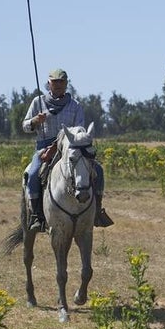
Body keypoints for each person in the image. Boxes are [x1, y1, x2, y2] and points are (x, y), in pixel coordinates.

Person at [21, 68, 113, 231]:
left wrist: (58, 145)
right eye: (55, 82)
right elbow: (25, 126)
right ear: (48, 84)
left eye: (61, 82)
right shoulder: (38, 102)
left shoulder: (75, 106)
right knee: (33, 173)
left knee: (97, 169)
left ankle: (97, 211)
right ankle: (36, 215)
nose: (58, 85)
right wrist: (35, 121)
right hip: (43, 149)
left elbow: (80, 131)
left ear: (66, 84)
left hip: (70, 148)